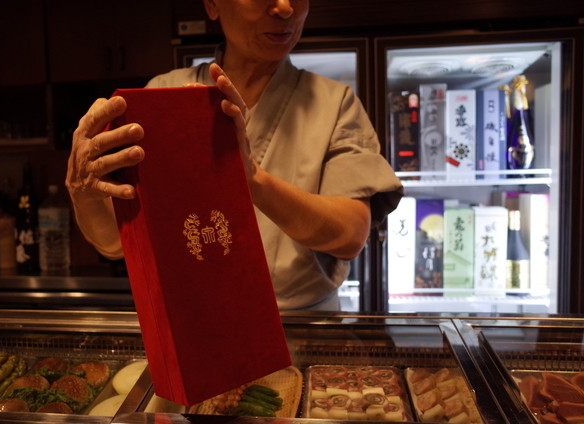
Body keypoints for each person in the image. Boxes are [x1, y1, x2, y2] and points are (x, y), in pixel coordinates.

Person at [65, 0, 403, 311]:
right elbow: (114, 244)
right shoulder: (161, 95)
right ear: (213, 5)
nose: (285, 8)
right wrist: (82, 188)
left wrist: (250, 177)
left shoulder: (334, 102)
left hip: (301, 328)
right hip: (192, 324)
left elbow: (350, 235)